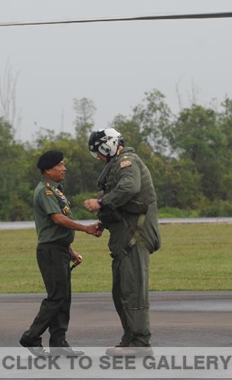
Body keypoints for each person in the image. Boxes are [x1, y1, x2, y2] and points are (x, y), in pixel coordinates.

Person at [84, 128, 160, 357]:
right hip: (124, 238)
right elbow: (120, 203)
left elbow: (129, 188)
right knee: (121, 290)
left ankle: (141, 342)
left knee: (132, 289)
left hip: (134, 237)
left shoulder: (127, 162)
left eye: (98, 152)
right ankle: (130, 339)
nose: (97, 157)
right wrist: (103, 222)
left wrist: (101, 203)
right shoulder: (116, 166)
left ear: (107, 146)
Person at [20, 150, 101, 357]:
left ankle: (59, 343)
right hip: (51, 252)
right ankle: (31, 336)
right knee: (57, 297)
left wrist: (71, 250)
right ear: (48, 170)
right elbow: (57, 219)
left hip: (60, 249)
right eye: (60, 165)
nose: (64, 168)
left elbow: (57, 229)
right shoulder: (45, 191)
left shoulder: (57, 191)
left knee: (63, 298)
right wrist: (85, 228)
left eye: (64, 165)